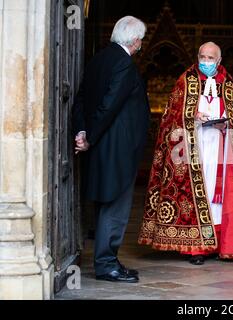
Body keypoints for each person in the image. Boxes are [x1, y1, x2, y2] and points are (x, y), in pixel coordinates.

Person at [138, 42, 233, 265]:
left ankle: (219, 243)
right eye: (202, 57)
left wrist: (227, 124)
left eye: (210, 58)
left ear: (219, 61)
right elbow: (171, 115)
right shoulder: (185, 80)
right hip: (191, 150)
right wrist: (193, 117)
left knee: (219, 199)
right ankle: (196, 247)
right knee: (198, 194)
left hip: (220, 148)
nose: (205, 61)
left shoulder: (227, 84)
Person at [72, 16, 149, 283]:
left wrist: (82, 132)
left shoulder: (99, 59)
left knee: (106, 203)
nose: (141, 44)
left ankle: (109, 260)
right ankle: (106, 265)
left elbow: (80, 99)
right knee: (115, 205)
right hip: (116, 149)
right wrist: (90, 136)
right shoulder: (124, 64)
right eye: (141, 39)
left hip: (103, 145)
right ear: (135, 39)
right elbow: (110, 105)